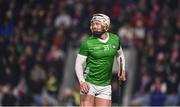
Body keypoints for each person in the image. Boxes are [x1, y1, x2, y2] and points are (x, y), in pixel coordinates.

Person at [75, 13, 126, 106]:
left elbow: (120, 54)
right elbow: (78, 64)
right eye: (93, 24)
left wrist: (122, 69)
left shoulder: (115, 39)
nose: (94, 26)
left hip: (105, 86)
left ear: (106, 24)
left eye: (97, 24)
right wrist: (82, 81)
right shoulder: (87, 43)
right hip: (89, 83)